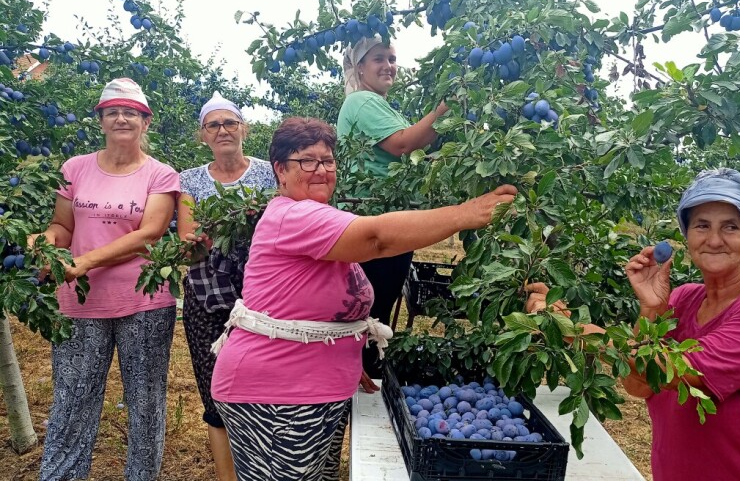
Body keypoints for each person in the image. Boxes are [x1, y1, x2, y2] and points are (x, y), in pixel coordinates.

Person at [210, 117, 515, 480]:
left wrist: (341, 356)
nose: (321, 169)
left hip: (314, 389)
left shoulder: (322, 217)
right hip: (277, 395)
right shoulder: (293, 215)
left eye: (327, 160)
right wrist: (466, 214)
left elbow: (318, 305)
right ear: (280, 170)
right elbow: (377, 239)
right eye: (307, 161)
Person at [527, 168, 740, 480]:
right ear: (686, 236)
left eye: (730, 227)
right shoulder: (684, 300)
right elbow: (638, 384)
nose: (713, 239)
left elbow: (672, 370)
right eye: (702, 225)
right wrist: (652, 308)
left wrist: (573, 330)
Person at [33, 78, 179, 481]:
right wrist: (44, 244)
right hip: (80, 302)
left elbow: (149, 233)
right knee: (72, 400)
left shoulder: (161, 175)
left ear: (145, 122)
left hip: (144, 303)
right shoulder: (74, 168)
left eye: (131, 112)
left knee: (145, 403)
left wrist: (85, 262)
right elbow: (61, 225)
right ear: (100, 120)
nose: (121, 118)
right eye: (112, 111)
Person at [337, 35, 450, 378]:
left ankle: (364, 380)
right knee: (369, 311)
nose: (389, 65)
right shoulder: (361, 101)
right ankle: (358, 382)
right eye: (378, 59)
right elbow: (404, 144)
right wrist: (448, 104)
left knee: (374, 309)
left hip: (385, 221)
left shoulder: (382, 106)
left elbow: (417, 146)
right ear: (359, 68)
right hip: (374, 222)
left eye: (392, 58)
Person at [177, 92, 276, 481]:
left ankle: (266, 467)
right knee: (215, 388)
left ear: (244, 129)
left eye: (229, 123)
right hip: (207, 299)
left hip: (263, 295)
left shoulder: (270, 173)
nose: (222, 131)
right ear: (203, 135)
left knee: (263, 385)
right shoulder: (189, 180)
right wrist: (226, 225)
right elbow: (189, 243)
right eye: (213, 125)